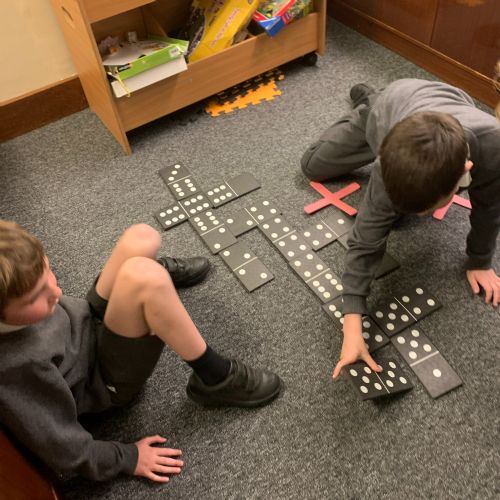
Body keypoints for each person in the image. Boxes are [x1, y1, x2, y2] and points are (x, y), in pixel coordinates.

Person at [0, 221, 282, 483]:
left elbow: (48, 294)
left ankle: (150, 279)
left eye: (48, 270)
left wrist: (44, 296)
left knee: (141, 237)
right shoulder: (15, 368)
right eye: (36, 296)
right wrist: (128, 458)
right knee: (147, 280)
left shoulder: (28, 302)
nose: (56, 291)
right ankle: (215, 379)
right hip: (103, 380)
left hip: (85, 321)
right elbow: (63, 449)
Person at [300, 78, 500, 379]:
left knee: (398, 215)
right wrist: (352, 321)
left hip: (448, 103)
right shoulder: (386, 164)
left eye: (428, 209)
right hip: (385, 110)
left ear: (465, 170)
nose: (423, 216)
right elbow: (366, 238)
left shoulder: (494, 149)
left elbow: (490, 207)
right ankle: (368, 99)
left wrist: (480, 260)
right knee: (312, 166)